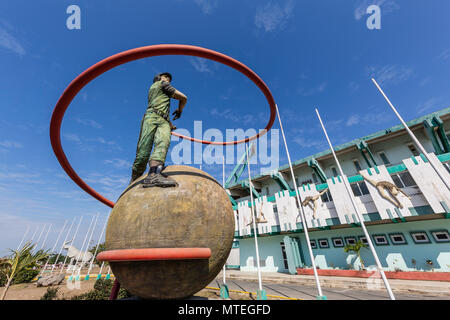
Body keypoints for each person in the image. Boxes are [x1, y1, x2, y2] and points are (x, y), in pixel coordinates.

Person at [130, 72, 187, 187]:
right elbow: (184, 98)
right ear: (159, 78)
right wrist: (180, 111)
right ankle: (134, 180)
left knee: (163, 143)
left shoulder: (160, 90)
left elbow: (161, 107)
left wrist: (170, 123)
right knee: (143, 151)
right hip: (152, 117)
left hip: (163, 120)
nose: (168, 80)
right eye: (166, 77)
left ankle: (153, 174)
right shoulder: (161, 84)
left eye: (169, 79)